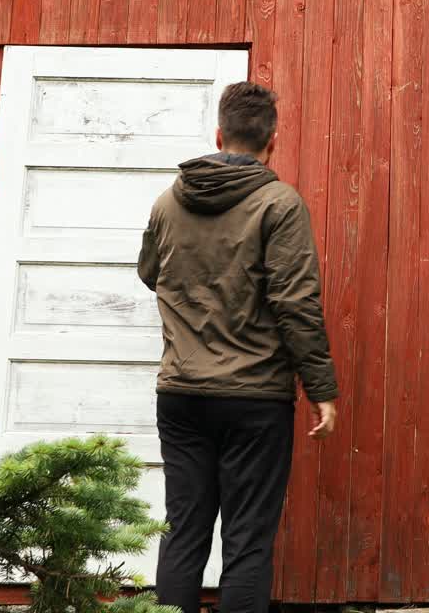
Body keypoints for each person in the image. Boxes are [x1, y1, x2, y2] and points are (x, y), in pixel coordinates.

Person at [137, 81, 339, 613]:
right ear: (273, 140)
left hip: (181, 395)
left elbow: (150, 273)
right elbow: (296, 304)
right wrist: (321, 389)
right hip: (254, 399)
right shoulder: (280, 205)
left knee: (183, 530)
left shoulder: (167, 203)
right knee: (247, 539)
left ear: (219, 135)